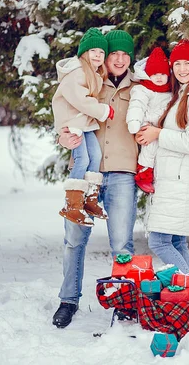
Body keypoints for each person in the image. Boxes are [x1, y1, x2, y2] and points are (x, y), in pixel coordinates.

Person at [52, 29, 138, 328]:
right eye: (113, 53)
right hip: (87, 173)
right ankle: (68, 300)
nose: (118, 59)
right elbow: (67, 117)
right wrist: (63, 139)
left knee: (122, 244)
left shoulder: (139, 88)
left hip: (123, 173)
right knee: (74, 240)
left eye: (124, 54)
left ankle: (125, 304)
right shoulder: (89, 81)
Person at [136, 39, 189, 274]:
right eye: (177, 64)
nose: (182, 69)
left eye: (188, 64)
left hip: (179, 181)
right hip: (171, 179)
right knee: (175, 242)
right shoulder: (180, 93)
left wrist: (158, 134)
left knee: (159, 242)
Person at [52, 27, 114, 226]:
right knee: (83, 158)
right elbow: (80, 100)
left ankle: (90, 200)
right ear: (84, 53)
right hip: (73, 122)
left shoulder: (93, 73)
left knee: (95, 156)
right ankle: (72, 205)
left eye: (101, 52)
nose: (98, 55)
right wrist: (103, 110)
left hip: (83, 122)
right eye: (93, 51)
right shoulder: (77, 72)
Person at [126, 47, 172, 194]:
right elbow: (136, 105)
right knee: (150, 146)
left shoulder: (171, 90)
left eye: (163, 74)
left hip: (163, 128)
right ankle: (143, 173)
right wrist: (134, 122)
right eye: (155, 74)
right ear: (148, 75)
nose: (159, 77)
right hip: (146, 124)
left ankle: (158, 173)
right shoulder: (143, 89)